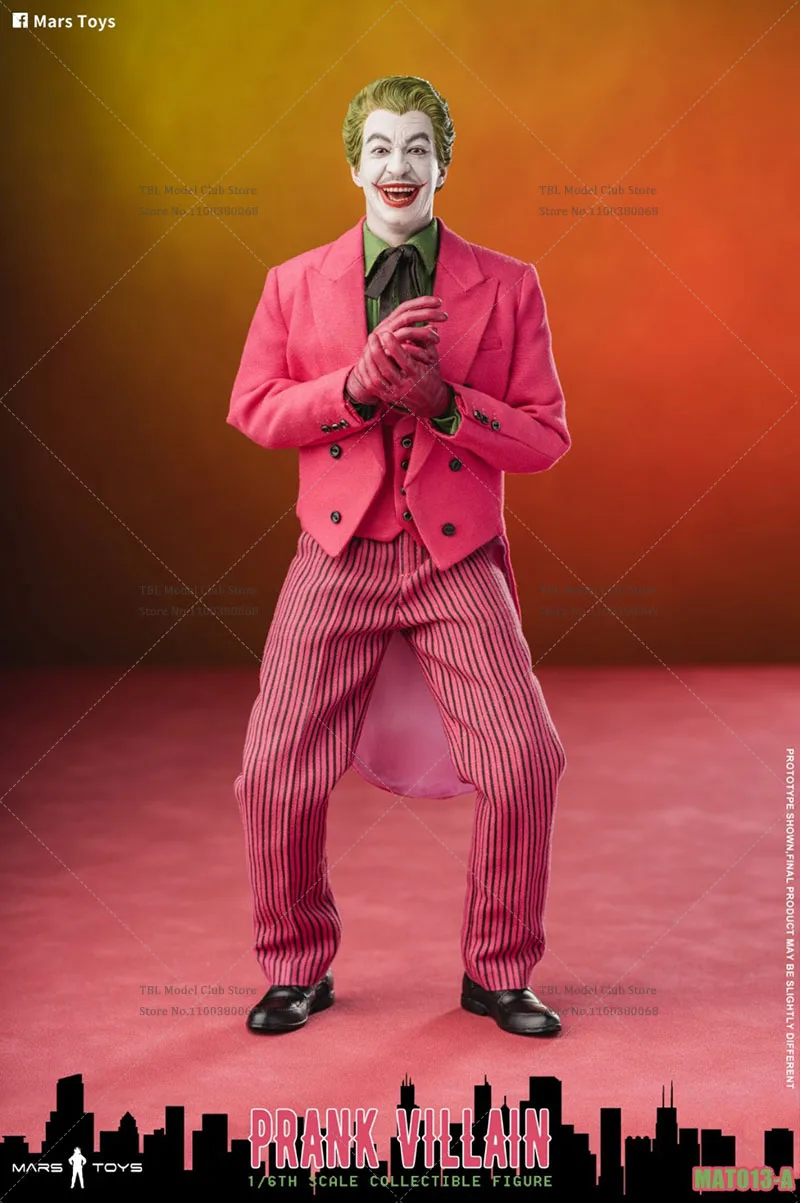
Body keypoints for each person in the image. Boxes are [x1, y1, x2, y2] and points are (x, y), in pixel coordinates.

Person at [227, 75, 570, 1038]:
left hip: (455, 555)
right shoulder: (293, 283)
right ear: (354, 165)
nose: (398, 165)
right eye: (379, 147)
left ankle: (498, 972)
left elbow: (546, 437)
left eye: (418, 146)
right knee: (272, 770)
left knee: (525, 758)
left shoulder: (509, 285)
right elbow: (254, 408)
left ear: (443, 163)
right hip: (337, 551)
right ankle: (296, 967)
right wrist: (352, 387)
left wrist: (448, 406)